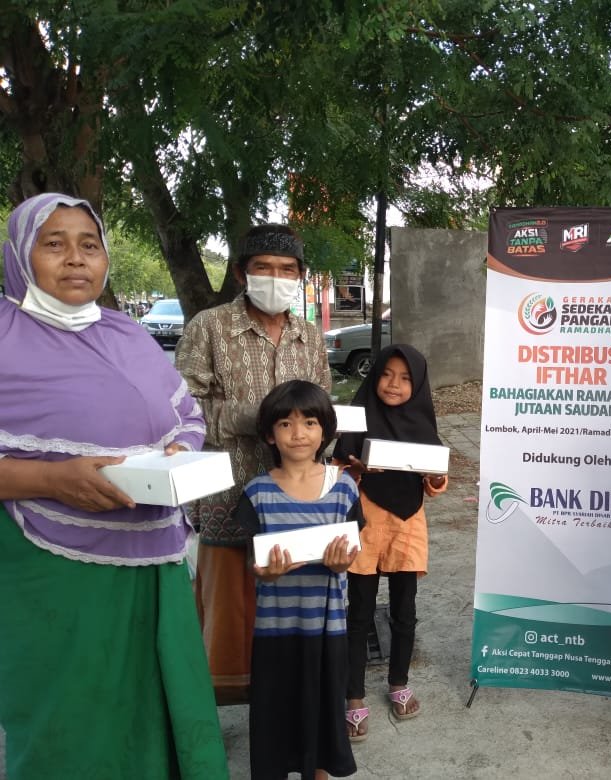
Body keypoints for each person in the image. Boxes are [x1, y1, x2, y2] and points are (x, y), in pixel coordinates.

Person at [0, 193, 228, 778]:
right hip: (53, 570)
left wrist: (181, 452)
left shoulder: (128, 334)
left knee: (159, 706)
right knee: (73, 719)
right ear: (20, 255)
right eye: (54, 244)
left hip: (156, 561)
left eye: (89, 245)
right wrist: (50, 479)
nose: (76, 258)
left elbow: (188, 416)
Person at [176, 223, 332, 704]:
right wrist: (249, 416)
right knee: (229, 613)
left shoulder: (309, 335)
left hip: (296, 501)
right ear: (242, 273)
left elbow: (322, 408)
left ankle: (287, 706)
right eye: (263, 267)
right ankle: (222, 707)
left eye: (287, 269)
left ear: (300, 276)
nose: (275, 277)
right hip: (227, 494)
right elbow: (178, 407)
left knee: (292, 601)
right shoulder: (210, 327)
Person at [236, 380, 360, 779]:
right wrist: (264, 571)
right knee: (276, 712)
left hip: (326, 629)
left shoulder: (343, 489)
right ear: (270, 435)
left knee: (322, 713)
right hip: (276, 629)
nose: (298, 433)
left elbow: (352, 551)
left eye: (309, 422)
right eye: (285, 424)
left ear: (325, 430)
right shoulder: (257, 493)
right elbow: (252, 560)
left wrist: (341, 565)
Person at [332, 344, 448, 741]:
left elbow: (435, 482)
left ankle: (399, 682)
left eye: (405, 378)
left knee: (404, 611)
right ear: (373, 376)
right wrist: (355, 471)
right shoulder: (357, 420)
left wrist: (435, 476)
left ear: (418, 385)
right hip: (366, 526)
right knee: (359, 613)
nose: (393, 384)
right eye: (385, 374)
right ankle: (353, 695)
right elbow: (337, 473)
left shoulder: (423, 425)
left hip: (406, 527)